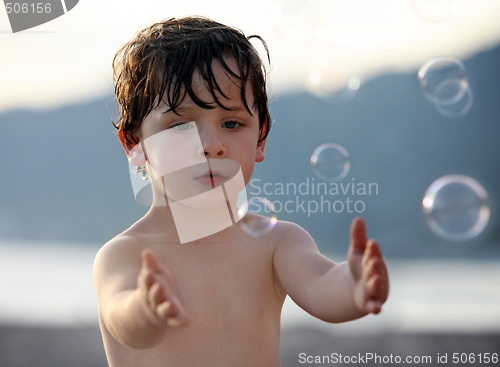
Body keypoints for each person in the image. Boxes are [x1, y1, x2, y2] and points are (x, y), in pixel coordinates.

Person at [93, 16, 389, 367]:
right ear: (135, 143)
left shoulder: (277, 244)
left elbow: (322, 285)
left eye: (232, 123)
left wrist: (354, 286)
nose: (212, 145)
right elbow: (122, 317)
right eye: (181, 125)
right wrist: (145, 307)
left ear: (260, 138)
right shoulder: (127, 254)